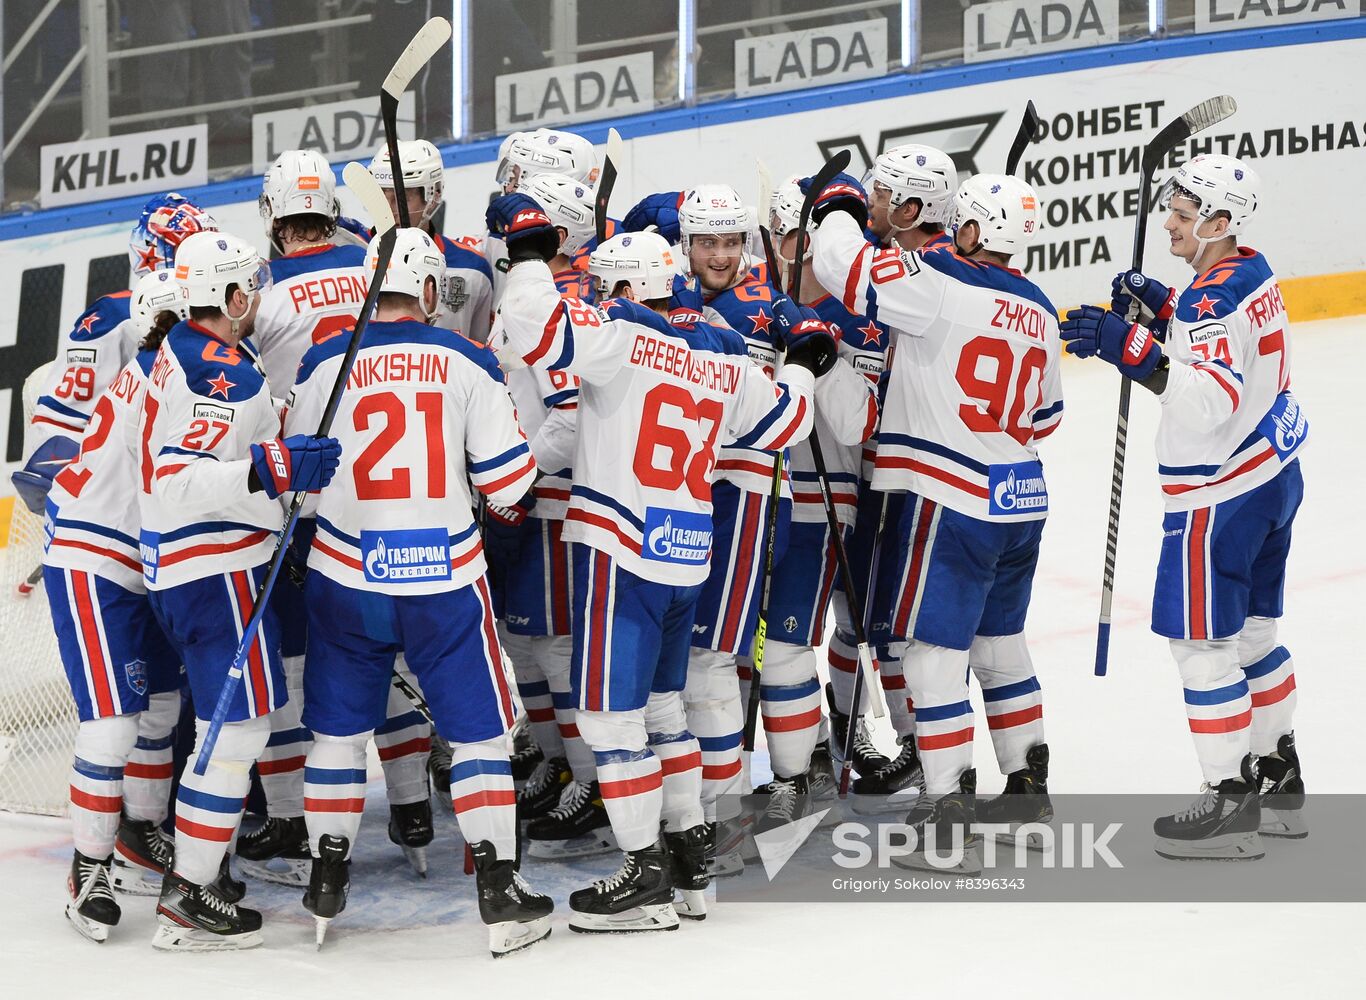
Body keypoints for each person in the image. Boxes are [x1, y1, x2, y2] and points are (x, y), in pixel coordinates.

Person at [489, 194, 830, 931]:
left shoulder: (620, 339)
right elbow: (788, 421)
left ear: (623, 292)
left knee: (611, 721)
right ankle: (690, 860)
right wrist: (803, 364)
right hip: (688, 557)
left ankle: (642, 874)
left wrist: (525, 254)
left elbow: (535, 327)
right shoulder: (722, 353)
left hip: (621, 553)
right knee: (667, 711)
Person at [285, 227, 553, 955]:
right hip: (443, 584)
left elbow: (297, 486)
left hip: (345, 578)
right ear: (431, 292)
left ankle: (326, 876)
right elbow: (510, 485)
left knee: (338, 735)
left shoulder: (322, 363)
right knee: (478, 736)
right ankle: (499, 887)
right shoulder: (467, 359)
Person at [808, 170, 1062, 872]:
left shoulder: (935, 281)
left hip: (947, 496)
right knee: (1000, 647)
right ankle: (1026, 790)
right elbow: (1048, 417)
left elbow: (841, 265)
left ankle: (946, 811)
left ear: (972, 230)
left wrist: (837, 207)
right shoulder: (1040, 309)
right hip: (1021, 497)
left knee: (931, 655)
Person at [1060, 154, 1307, 860]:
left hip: (1219, 496)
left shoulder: (1209, 299)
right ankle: (1280, 781)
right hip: (1273, 475)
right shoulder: (1248, 272)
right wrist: (1162, 311)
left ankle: (1231, 803)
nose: (1169, 221)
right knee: (1257, 637)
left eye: (1183, 212)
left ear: (1221, 222)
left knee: (1202, 652)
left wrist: (1132, 349)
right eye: (1169, 207)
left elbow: (1207, 400)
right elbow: (1221, 344)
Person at [138, 230, 340, 950]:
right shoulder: (216, 371)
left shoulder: (194, 350)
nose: (257, 294)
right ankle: (189, 894)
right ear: (229, 295)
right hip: (211, 569)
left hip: (190, 565)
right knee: (237, 731)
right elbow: (179, 476)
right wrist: (271, 470)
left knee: (228, 728)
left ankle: (199, 875)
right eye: (247, 284)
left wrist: (280, 474)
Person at [247, 149, 437, 882]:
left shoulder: (262, 293)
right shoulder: (373, 259)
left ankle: (295, 819)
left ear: (272, 216)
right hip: (401, 490)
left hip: (310, 498)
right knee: (389, 652)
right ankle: (414, 803)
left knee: (304, 659)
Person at [43, 271, 189, 941]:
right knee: (113, 721)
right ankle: (87, 867)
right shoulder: (170, 375)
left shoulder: (168, 364)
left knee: (160, 709)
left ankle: (137, 834)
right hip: (95, 556)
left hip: (141, 556)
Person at [488, 174, 613, 860]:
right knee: (527, 641)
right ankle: (567, 764)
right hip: (536, 496)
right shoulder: (540, 297)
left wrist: (518, 476)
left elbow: (567, 416)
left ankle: (593, 784)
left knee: (559, 647)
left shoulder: (550, 304)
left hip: (553, 499)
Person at [12, 193, 215, 518]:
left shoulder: (218, 316)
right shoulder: (116, 317)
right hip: (133, 504)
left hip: (181, 489)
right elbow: (55, 438)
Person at [369, 139, 494, 342]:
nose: (389, 210)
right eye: (382, 197)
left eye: (402, 198)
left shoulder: (472, 268)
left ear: (433, 195)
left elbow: (481, 346)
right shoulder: (356, 258)